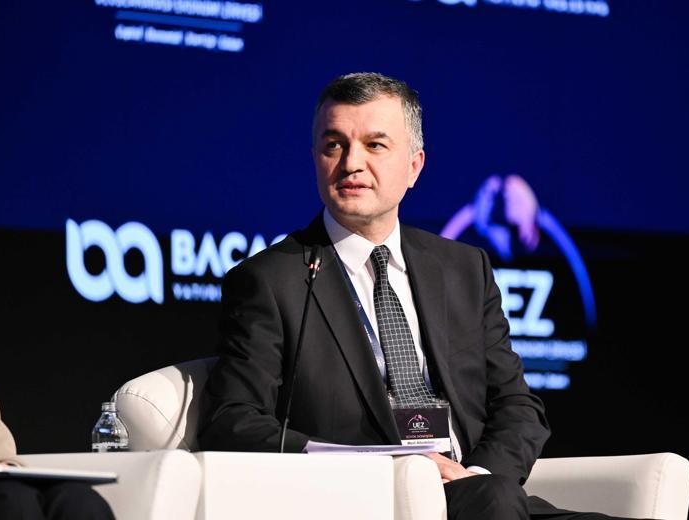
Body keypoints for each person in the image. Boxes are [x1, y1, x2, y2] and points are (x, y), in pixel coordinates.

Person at [198, 72, 632, 519]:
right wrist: (389, 468)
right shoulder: (271, 280)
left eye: (374, 145)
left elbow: (517, 407)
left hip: (477, 494)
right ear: (315, 159)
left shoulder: (464, 268)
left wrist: (477, 476)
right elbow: (233, 421)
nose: (351, 163)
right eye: (334, 145)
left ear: (414, 166)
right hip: (365, 502)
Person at [0, 390, 115, 520]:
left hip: (2, 470)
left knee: (80, 500)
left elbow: (1, 451)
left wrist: (7, 465)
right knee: (14, 500)